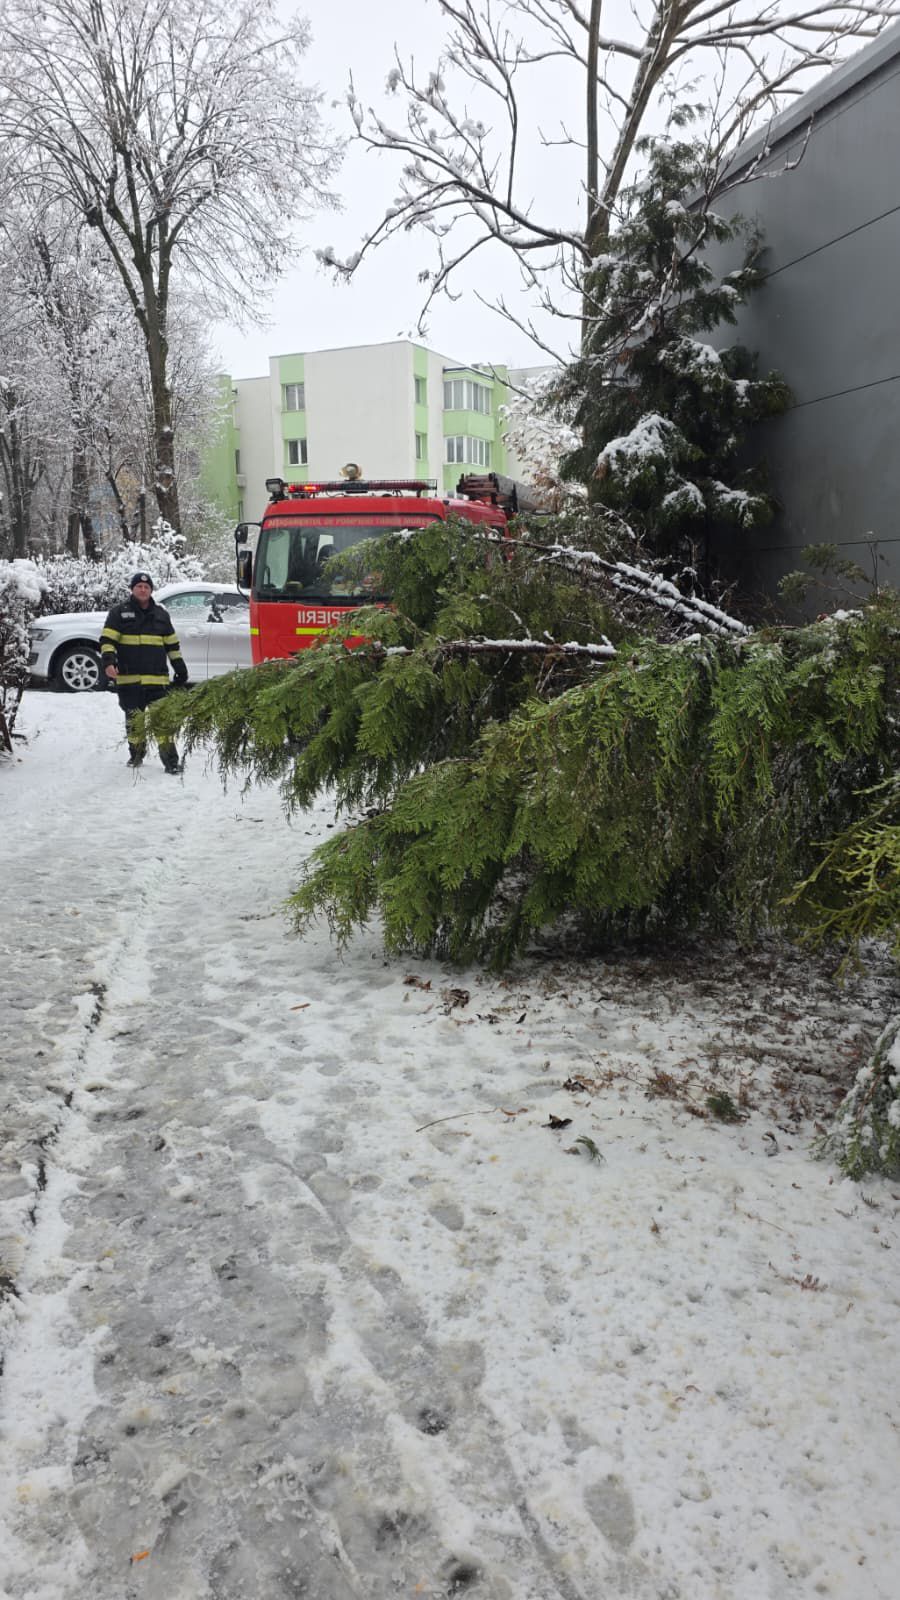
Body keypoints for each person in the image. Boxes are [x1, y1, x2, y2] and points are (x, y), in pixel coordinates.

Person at [100, 572, 188, 773]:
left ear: (151, 590)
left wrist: (180, 669)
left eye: (146, 587)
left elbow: (172, 645)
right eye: (138, 586)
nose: (142, 589)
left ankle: (171, 762)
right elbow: (107, 641)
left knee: (163, 724)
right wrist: (108, 663)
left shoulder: (161, 615)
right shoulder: (118, 613)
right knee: (134, 724)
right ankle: (137, 755)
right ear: (132, 589)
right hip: (129, 681)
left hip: (157, 681)